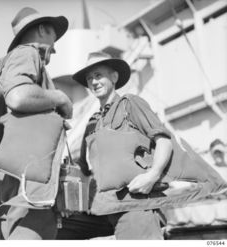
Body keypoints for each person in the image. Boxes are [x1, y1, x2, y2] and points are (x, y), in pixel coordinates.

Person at [0, 7, 72, 240]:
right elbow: (17, 97)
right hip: (28, 181)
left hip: (11, 179)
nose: (54, 48)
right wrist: (60, 98)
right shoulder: (28, 53)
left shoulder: (6, 64)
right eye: (52, 38)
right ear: (41, 29)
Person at [57, 51, 174, 240]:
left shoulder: (131, 105)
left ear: (114, 77)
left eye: (98, 75)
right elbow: (83, 170)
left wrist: (152, 176)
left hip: (134, 203)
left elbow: (164, 141)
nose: (93, 82)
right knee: (53, 228)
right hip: (103, 206)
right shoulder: (93, 122)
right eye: (89, 78)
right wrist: (68, 202)